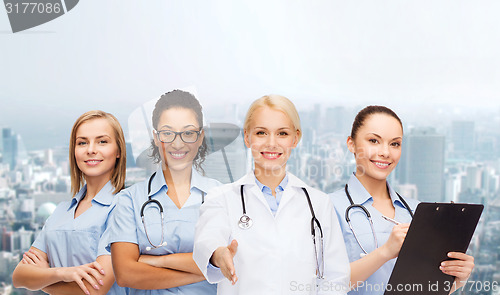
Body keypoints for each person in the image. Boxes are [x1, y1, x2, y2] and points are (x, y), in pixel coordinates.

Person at [193, 95, 350, 295]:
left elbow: (336, 278)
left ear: (296, 138)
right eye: (261, 133)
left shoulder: (319, 203)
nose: (271, 143)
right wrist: (219, 255)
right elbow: (208, 240)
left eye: (282, 133)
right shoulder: (221, 198)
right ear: (247, 137)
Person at [330, 105, 475, 295]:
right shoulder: (327, 207)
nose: (385, 152)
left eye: (395, 144)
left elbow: (424, 288)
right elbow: (322, 285)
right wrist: (385, 252)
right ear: (351, 144)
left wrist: (456, 280)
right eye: (374, 140)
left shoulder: (417, 211)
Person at [107, 90, 220, 294]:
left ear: (200, 137)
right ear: (156, 137)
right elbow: (126, 274)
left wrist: (158, 261)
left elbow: (231, 260)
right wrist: (207, 270)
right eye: (168, 133)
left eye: (188, 133)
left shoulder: (221, 196)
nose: (178, 143)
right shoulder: (129, 200)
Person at [12, 110, 128, 295]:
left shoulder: (124, 208)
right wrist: (63, 273)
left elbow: (95, 287)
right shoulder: (60, 211)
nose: (90, 149)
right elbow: (19, 276)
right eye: (82, 142)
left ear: (119, 151)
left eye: (102, 141)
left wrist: (43, 281)